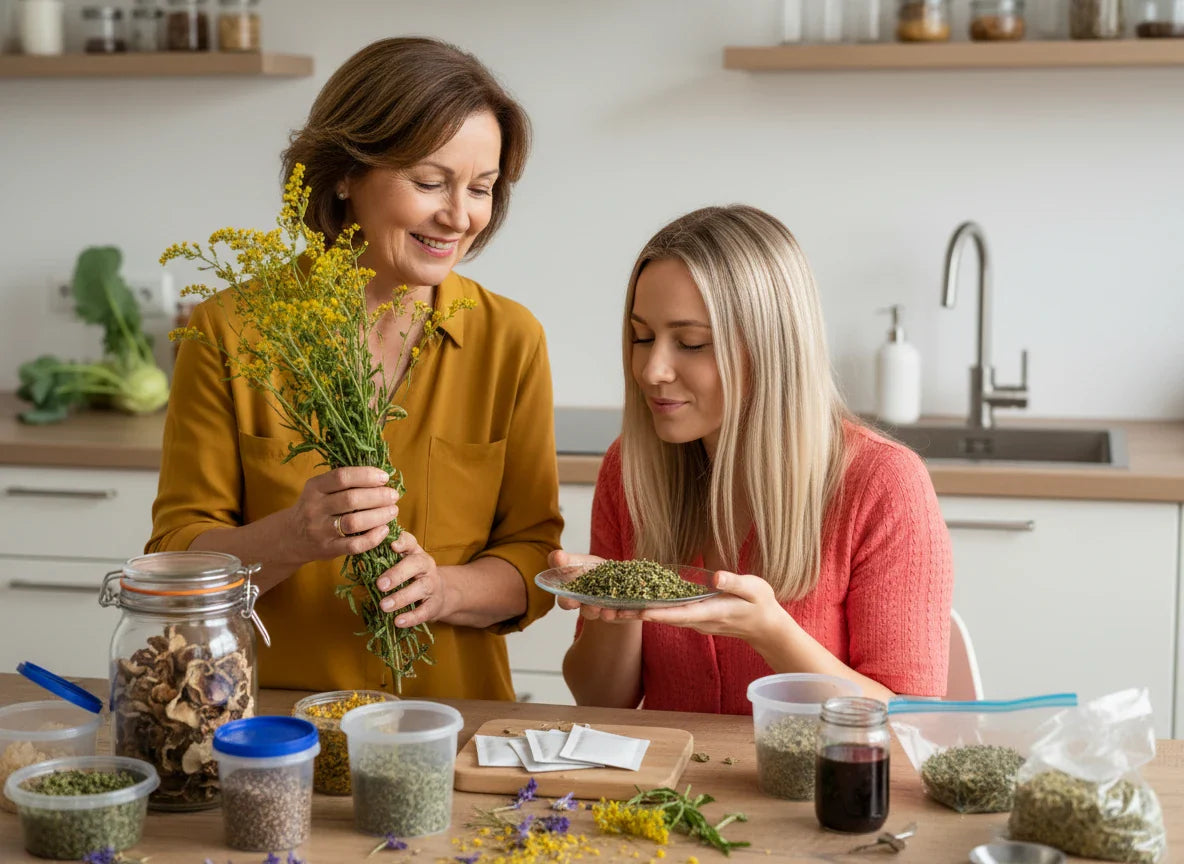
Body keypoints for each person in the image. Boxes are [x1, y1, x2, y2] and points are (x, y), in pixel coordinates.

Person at [147, 37, 562, 700]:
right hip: (277, 730)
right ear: (344, 173)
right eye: (429, 182)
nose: (459, 216)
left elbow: (537, 555)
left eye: (480, 189)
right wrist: (290, 536)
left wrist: (445, 588)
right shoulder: (228, 332)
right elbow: (176, 559)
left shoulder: (510, 339)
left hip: (453, 727)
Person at [555, 205, 953, 713]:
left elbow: (913, 723)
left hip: (812, 791)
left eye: (692, 343)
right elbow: (599, 698)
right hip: (669, 787)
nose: (652, 369)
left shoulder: (882, 483)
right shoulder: (630, 470)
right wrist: (612, 606)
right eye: (642, 336)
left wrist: (770, 632)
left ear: (770, 349)